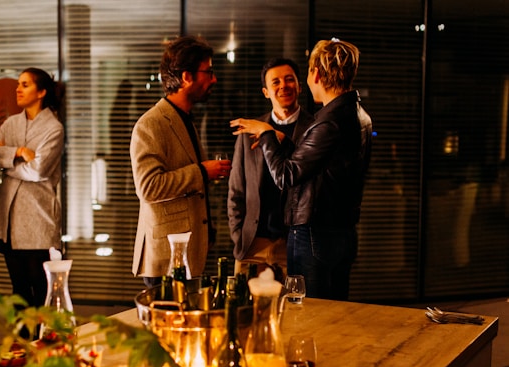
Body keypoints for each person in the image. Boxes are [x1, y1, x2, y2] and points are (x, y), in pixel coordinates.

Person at [230, 39, 373, 301]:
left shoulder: (327, 122)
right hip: (340, 232)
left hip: (315, 235)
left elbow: (286, 176)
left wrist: (266, 135)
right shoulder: (359, 115)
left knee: (311, 315)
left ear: (315, 74)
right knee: (333, 312)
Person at [130, 35, 230, 288]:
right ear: (187, 77)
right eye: (208, 72)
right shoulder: (151, 123)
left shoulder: (184, 118)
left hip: (185, 253)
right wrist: (202, 172)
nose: (214, 79)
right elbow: (149, 187)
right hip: (164, 258)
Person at [227, 57, 314, 278]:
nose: (283, 86)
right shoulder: (250, 131)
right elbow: (236, 190)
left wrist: (279, 139)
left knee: (295, 310)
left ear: (300, 86)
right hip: (252, 242)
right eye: (275, 82)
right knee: (244, 310)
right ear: (266, 92)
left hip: (293, 241)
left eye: (289, 80)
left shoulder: (314, 129)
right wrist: (238, 235)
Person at [0, 68, 64, 308]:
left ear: (41, 92)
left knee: (41, 291)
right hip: (9, 220)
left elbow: (39, 171)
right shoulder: (11, 123)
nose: (18, 89)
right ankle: (21, 341)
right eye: (18, 84)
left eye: (25, 84)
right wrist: (19, 152)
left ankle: (42, 341)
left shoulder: (54, 128)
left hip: (37, 221)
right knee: (18, 289)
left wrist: (7, 159)